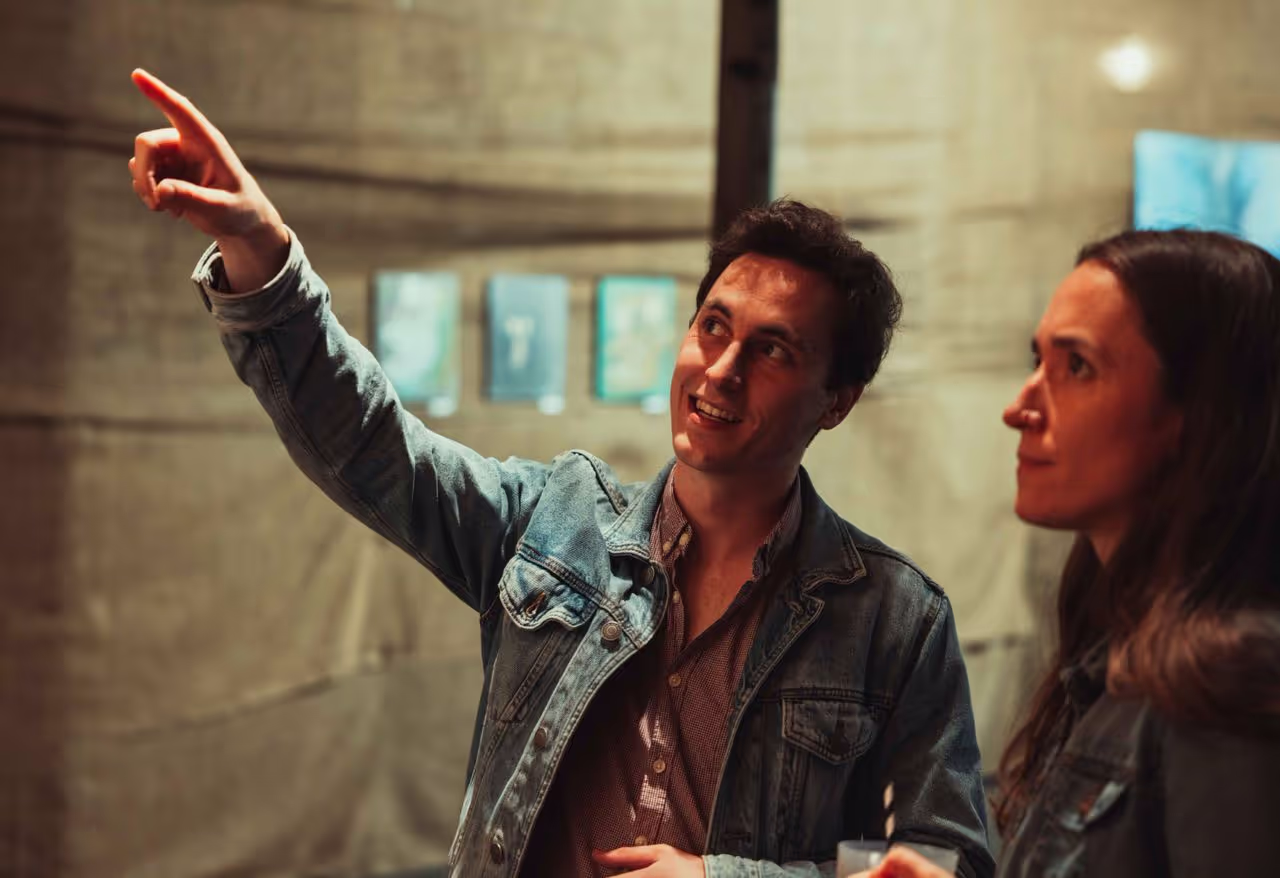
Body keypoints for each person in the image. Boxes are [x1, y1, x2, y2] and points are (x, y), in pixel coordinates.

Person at [127, 69, 993, 878]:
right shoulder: (555, 522)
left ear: (836, 400)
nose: (723, 370)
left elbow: (945, 859)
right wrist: (258, 244)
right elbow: (372, 444)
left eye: (773, 351)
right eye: (714, 327)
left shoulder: (892, 620)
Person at [861, 229, 1280, 878]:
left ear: (1199, 413)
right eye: (1037, 360)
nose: (1020, 407)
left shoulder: (1237, 684)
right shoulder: (1126, 652)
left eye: (1076, 367)